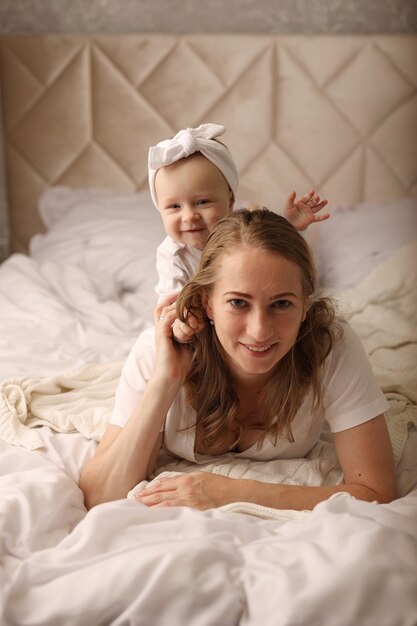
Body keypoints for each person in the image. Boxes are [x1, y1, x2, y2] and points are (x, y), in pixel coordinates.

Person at [79, 209, 397, 511]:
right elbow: (100, 495)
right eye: (238, 303)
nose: (259, 331)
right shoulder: (157, 350)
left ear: (305, 306)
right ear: (208, 303)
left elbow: (376, 491)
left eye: (282, 303)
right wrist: (166, 380)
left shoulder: (329, 346)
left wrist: (232, 491)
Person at [149, 123, 329, 342]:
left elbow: (271, 253)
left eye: (202, 202)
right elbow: (171, 302)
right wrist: (183, 320)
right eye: (174, 207)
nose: (189, 216)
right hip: (204, 332)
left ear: (230, 200)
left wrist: (289, 227)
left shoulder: (241, 233)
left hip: (251, 323)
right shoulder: (173, 255)